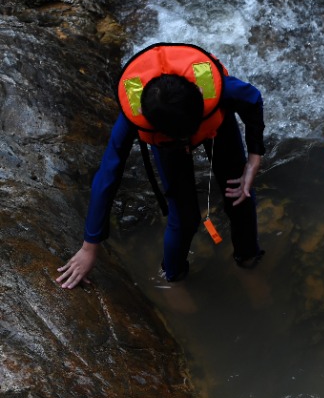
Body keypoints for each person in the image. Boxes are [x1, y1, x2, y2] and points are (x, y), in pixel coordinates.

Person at [56, 43, 265, 288]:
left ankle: (248, 261)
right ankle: (173, 278)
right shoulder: (137, 115)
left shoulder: (214, 88)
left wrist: (253, 160)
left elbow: (253, 99)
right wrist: (89, 247)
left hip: (212, 123)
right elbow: (108, 175)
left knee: (240, 194)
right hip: (166, 141)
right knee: (184, 218)